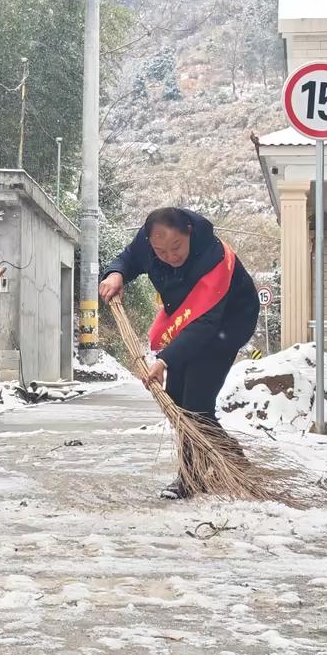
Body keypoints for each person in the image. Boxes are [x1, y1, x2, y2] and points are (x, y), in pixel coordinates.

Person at [99, 207, 260, 499]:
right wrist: (116, 273)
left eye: (176, 247)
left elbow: (205, 324)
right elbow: (130, 257)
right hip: (185, 317)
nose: (170, 256)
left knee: (196, 404)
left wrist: (164, 360)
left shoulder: (213, 260)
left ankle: (191, 477)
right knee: (175, 400)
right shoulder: (149, 241)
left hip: (225, 323)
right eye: (160, 251)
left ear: (189, 232)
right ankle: (231, 455)